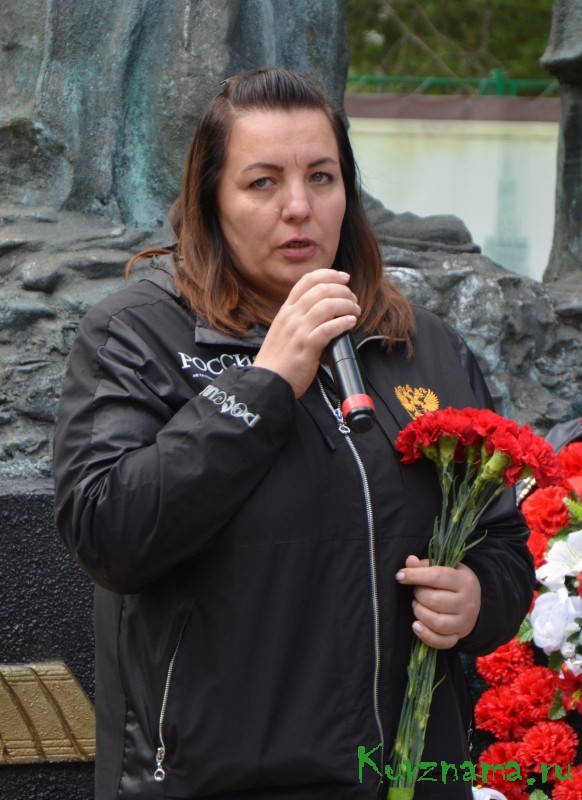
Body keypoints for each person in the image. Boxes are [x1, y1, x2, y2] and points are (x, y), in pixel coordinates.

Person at [53, 67, 534, 800]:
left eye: (321, 177)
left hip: (411, 776)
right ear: (211, 202)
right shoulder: (135, 335)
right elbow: (108, 532)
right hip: (218, 781)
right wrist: (265, 384)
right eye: (263, 183)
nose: (299, 207)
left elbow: (502, 541)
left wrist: (477, 598)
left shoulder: (423, 344)